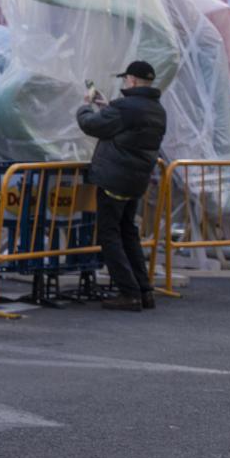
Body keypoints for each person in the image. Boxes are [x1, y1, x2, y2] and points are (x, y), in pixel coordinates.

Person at [78, 60, 167, 312]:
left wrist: (86, 106)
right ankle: (144, 290)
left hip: (114, 179)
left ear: (133, 80)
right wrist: (108, 108)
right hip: (136, 181)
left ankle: (129, 292)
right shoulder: (156, 109)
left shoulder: (126, 107)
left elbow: (91, 125)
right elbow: (127, 128)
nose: (124, 83)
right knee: (128, 233)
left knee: (109, 235)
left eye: (126, 79)